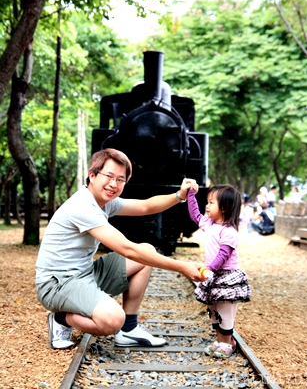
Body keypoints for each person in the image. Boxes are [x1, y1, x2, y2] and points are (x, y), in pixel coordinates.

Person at [36, 148, 203, 350]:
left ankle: (129, 330)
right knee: (113, 319)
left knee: (147, 251)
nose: (113, 184)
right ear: (92, 175)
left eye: (120, 179)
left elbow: (145, 206)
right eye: (108, 176)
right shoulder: (82, 206)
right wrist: (183, 267)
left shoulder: (104, 203)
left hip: (84, 274)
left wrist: (179, 195)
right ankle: (62, 319)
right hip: (56, 285)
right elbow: (127, 249)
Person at [187, 184, 251, 359]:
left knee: (225, 310)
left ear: (225, 208)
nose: (206, 206)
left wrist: (210, 268)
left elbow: (224, 254)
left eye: (211, 202)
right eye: (207, 202)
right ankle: (221, 341)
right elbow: (194, 214)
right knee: (214, 310)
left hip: (226, 278)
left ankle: (226, 342)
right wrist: (190, 194)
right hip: (213, 275)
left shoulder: (229, 231)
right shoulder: (209, 223)